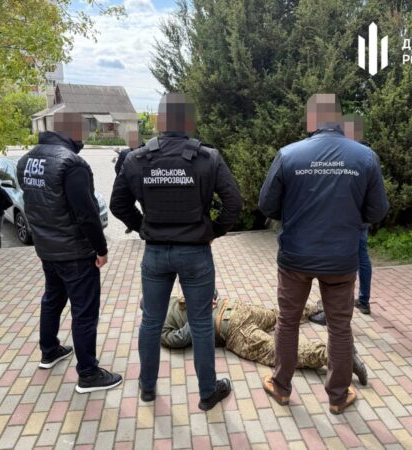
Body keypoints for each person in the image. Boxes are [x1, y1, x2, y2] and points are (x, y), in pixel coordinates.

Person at [110, 92, 242, 411]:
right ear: (190, 121)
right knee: (201, 322)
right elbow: (233, 204)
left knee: (151, 321)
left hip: (155, 254)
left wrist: (143, 227)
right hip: (195, 253)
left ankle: (147, 387)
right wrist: (213, 231)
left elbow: (118, 205)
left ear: (159, 121)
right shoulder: (208, 158)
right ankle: (207, 393)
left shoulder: (136, 159)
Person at [258, 93, 389, 414]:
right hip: (341, 259)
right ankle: (338, 396)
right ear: (339, 119)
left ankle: (281, 387)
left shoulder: (289, 155)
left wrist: (294, 212)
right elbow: (377, 210)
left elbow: (267, 205)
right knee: (339, 326)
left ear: (311, 119)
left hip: (295, 257)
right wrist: (349, 218)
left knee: (287, 321)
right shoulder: (365, 157)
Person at [17, 130, 122, 394]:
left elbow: (34, 204)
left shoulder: (27, 160)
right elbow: (86, 213)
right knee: (84, 311)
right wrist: (101, 248)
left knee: (52, 299)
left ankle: (49, 350)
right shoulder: (72, 164)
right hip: (74, 252)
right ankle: (88, 373)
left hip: (47, 248)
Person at [158, 292, 369, 386]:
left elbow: (179, 339)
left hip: (232, 327)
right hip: (237, 307)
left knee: (278, 351)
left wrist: (198, 315)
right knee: (279, 317)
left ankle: (336, 355)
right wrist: (205, 301)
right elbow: (210, 289)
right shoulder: (176, 296)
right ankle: (317, 308)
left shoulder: (160, 326)